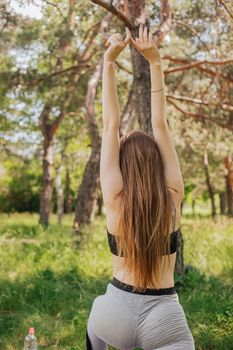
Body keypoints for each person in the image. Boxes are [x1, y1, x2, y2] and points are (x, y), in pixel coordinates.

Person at [86, 24, 195, 350]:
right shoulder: (173, 195)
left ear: (122, 167)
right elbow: (159, 124)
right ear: (157, 164)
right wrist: (155, 62)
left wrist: (109, 62)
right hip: (164, 314)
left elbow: (110, 124)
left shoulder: (115, 198)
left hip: (115, 310)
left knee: (96, 317)